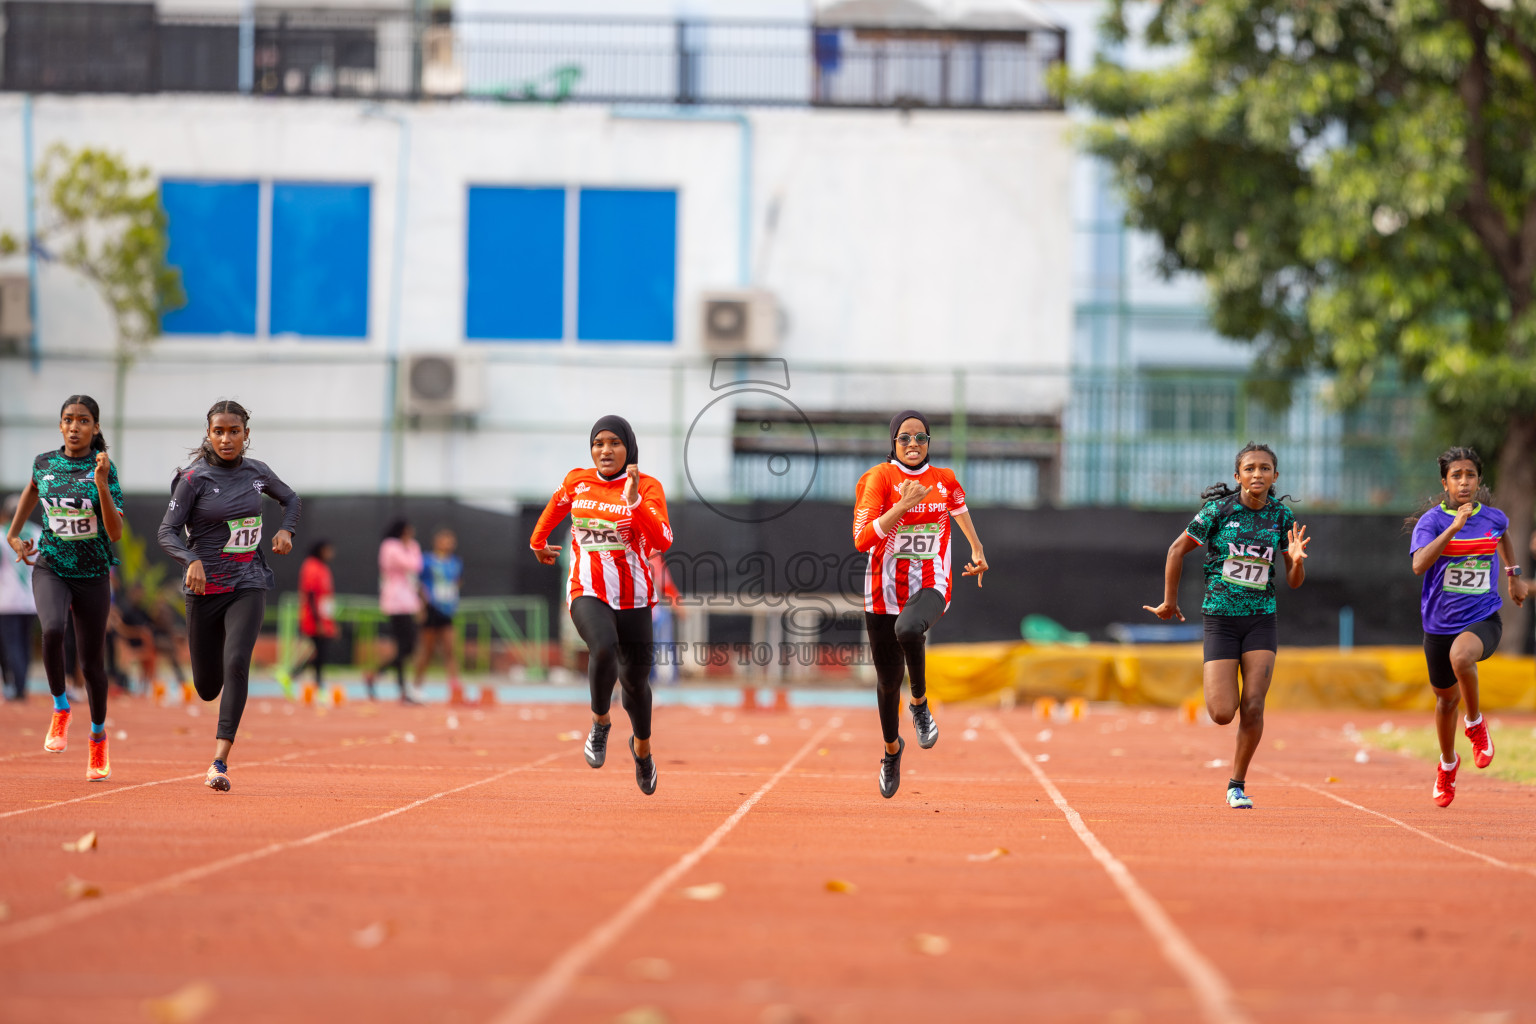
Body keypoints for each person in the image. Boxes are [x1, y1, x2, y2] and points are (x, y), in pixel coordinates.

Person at [1144, 442, 1309, 810]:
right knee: (1222, 713)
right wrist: (1170, 602)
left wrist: (1295, 562)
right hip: (1220, 618)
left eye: (1265, 469)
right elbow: (1175, 550)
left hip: (1261, 620)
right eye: (1249, 468)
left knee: (1253, 706)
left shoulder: (1281, 518)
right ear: (1238, 477)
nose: (1257, 475)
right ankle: (1224, 704)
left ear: (1275, 476)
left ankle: (1237, 784)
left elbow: (1294, 581)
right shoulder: (1218, 511)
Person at [158, 400, 301, 792]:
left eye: (233, 431)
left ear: (246, 435)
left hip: (247, 581)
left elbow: (291, 499)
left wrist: (286, 530)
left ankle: (219, 761)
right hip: (205, 589)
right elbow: (166, 532)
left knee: (238, 660)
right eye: (218, 431)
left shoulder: (258, 473)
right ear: (208, 434)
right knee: (207, 686)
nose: (226, 438)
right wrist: (191, 559)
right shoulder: (192, 480)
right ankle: (216, 677)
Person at [530, 415, 672, 795]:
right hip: (586, 589)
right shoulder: (578, 481)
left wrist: (635, 501)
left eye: (614, 443)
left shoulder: (648, 487)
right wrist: (537, 542)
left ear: (629, 448)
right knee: (603, 646)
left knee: (636, 686)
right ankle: (600, 723)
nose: (605, 450)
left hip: (634, 597)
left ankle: (642, 752)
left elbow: (664, 538)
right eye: (598, 443)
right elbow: (554, 507)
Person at [853, 411, 988, 798]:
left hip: (932, 584)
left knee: (909, 629)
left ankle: (920, 703)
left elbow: (960, 511)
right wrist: (903, 505)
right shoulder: (878, 479)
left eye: (921, 438)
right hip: (881, 591)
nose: (913, 445)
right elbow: (862, 540)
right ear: (893, 442)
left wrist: (978, 549)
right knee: (885, 682)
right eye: (905, 438)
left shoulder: (944, 481)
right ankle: (892, 751)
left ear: (929, 442)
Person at [5, 395, 124, 780]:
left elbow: (116, 533)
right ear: (60, 426)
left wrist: (102, 485)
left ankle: (98, 737)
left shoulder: (105, 469)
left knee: (92, 665)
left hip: (92, 574)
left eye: (83, 420)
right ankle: (60, 709)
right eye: (68, 420)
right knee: (53, 629)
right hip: (51, 566)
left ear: (95, 428)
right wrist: (14, 534)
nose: (75, 427)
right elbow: (31, 490)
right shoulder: (45, 463)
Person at [1408, 447, 1527, 808]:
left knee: (1463, 657)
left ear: (1478, 480)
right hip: (1438, 625)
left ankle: (1475, 724)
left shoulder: (1493, 517)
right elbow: (1419, 565)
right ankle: (1448, 764)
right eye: (1456, 476)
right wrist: (1454, 529)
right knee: (1445, 701)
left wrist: (1513, 576)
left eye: (1470, 475)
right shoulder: (1431, 522)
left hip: (1482, 618)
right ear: (1444, 483)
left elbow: (1503, 534)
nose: (1464, 481)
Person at [369, 519, 422, 703]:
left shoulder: (410, 546)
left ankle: (382, 677)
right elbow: (411, 564)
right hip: (394, 602)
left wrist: (411, 548)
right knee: (406, 645)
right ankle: (395, 683)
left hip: (408, 602)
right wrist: (411, 548)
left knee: (408, 646)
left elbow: (417, 565)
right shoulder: (389, 546)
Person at [280, 539, 336, 696]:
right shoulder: (311, 566)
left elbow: (326, 597)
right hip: (314, 618)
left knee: (318, 652)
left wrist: (330, 621)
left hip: (323, 618)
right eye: (328, 550)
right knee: (320, 651)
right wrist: (318, 621)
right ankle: (315, 683)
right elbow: (311, 595)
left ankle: (292, 675)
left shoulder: (323, 568)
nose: (331, 554)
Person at [0, 493, 40, 701]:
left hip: (7, 601)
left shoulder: (1, 535)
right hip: (31, 600)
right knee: (24, 644)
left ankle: (18, 689)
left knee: (12, 644)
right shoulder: (37, 532)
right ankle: (21, 685)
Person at [416, 528, 463, 700]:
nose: (448, 543)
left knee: (450, 649)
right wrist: (422, 607)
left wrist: (452, 599)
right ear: (437, 541)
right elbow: (419, 583)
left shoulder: (456, 562)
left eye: (451, 540)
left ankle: (455, 687)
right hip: (431, 609)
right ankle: (417, 686)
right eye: (445, 540)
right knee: (427, 651)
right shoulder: (427, 561)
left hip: (447, 610)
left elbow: (457, 582)